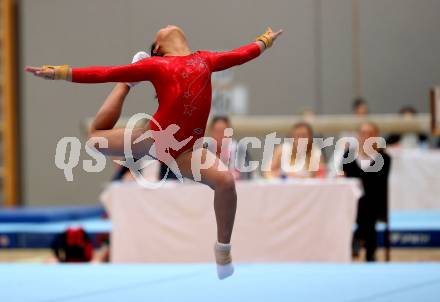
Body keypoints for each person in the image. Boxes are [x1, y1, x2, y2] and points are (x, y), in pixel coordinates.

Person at [25, 25, 283, 279]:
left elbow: (242, 55)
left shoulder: (206, 59)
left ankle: (223, 250)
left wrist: (264, 40)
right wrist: (59, 73)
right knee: (93, 139)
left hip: (188, 151)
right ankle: (127, 84)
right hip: (153, 138)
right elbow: (103, 72)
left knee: (226, 182)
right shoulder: (157, 64)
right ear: (159, 46)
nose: (169, 27)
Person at [342, 122, 391, 262]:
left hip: (374, 202)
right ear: (358, 136)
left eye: (371, 134)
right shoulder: (349, 155)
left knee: (368, 206)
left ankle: (357, 237)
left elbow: (380, 182)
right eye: (363, 133)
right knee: (362, 206)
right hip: (353, 202)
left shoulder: (384, 158)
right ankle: (370, 251)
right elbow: (344, 177)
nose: (367, 137)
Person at [207, 116, 253, 180]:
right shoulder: (204, 150)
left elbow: (247, 176)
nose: (220, 135)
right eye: (217, 131)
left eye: (223, 131)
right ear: (211, 132)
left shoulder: (240, 150)